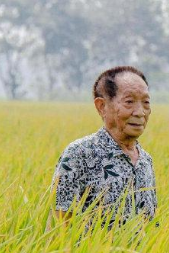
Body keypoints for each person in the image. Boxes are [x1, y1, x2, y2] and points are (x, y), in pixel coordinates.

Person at [50, 66, 158, 230]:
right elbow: (59, 227)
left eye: (146, 102)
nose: (140, 112)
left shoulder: (145, 160)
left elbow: (150, 224)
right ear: (102, 106)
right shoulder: (79, 154)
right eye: (129, 102)